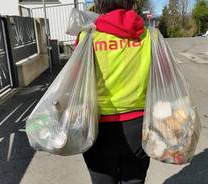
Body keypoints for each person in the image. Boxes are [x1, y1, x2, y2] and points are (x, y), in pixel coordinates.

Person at [80, 0, 152, 183]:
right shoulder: (151, 36)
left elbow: (77, 82)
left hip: (98, 128)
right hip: (140, 126)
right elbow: (164, 80)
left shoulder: (87, 37)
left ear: (99, 4)